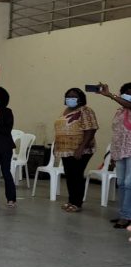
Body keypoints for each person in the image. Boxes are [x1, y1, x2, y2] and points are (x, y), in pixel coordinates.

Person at [54, 88, 98, 213]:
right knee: (69, 175)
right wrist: (57, 146)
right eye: (68, 96)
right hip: (66, 149)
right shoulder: (67, 110)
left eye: (73, 96)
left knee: (77, 174)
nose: (70, 98)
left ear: (80, 98)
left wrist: (81, 148)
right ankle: (71, 200)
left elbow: (91, 129)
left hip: (81, 149)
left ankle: (77, 202)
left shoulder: (86, 110)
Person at [99, 82, 131, 228]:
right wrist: (112, 155)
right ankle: (124, 213)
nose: (128, 95)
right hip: (119, 150)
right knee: (121, 183)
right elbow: (117, 133)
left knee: (129, 184)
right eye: (126, 92)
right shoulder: (120, 111)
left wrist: (110, 95)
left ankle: (126, 216)